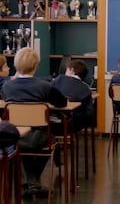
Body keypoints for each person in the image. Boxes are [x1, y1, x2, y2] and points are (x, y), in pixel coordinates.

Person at [2, 47, 67, 198]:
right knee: (49, 140)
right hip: (39, 135)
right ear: (35, 65)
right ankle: (33, 184)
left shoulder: (7, 86)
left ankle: (31, 184)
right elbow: (62, 102)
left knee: (23, 147)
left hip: (15, 135)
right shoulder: (44, 86)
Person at [51, 59, 94, 133]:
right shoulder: (86, 89)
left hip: (51, 123)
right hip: (73, 125)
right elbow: (89, 112)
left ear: (71, 70)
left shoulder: (59, 79)